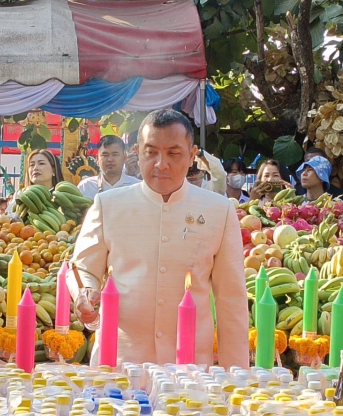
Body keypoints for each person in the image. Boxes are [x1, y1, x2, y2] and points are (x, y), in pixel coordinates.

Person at [68, 109, 248, 368]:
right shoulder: (108, 205)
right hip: (119, 362)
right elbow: (83, 266)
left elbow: (231, 300)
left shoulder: (219, 210)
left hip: (190, 370)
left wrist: (235, 377)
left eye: (173, 153)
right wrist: (84, 292)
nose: (161, 164)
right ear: (137, 152)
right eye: (151, 152)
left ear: (192, 156)